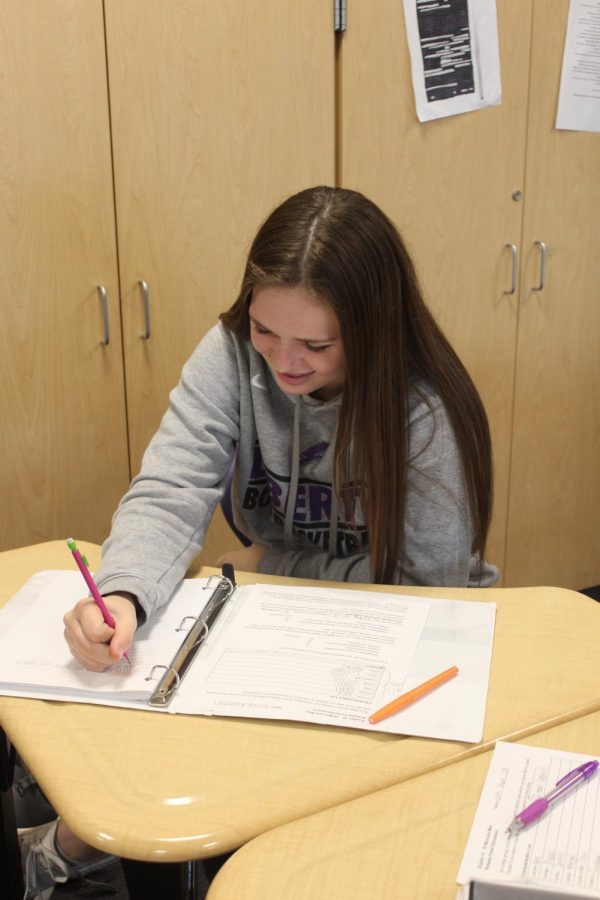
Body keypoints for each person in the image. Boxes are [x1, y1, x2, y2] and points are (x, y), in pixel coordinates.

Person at [22, 185, 499, 897]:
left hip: (406, 646)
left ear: (374, 329)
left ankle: (71, 845)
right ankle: (78, 843)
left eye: (317, 344)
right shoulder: (229, 354)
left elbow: (429, 587)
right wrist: (122, 595)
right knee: (150, 751)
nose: (284, 361)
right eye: (266, 331)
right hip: (278, 622)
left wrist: (274, 561)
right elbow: (171, 489)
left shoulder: (422, 408)